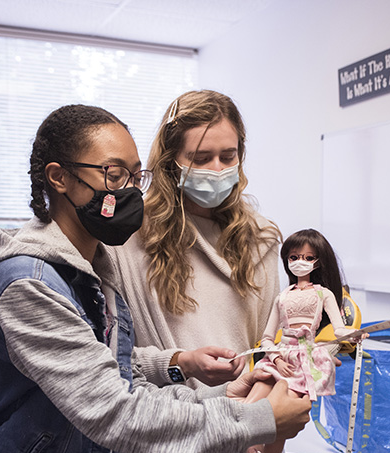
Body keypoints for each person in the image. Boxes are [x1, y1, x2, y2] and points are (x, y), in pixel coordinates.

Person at [0, 104, 311, 453]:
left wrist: (205, 384)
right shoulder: (29, 284)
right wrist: (261, 419)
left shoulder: (89, 272)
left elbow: (110, 373)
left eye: (135, 176)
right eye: (114, 174)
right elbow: (117, 412)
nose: (130, 191)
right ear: (60, 177)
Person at [108, 90, 281, 388]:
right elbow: (111, 355)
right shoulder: (129, 235)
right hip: (163, 419)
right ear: (170, 161)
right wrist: (181, 364)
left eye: (228, 156)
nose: (217, 169)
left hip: (246, 419)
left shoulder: (259, 237)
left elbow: (267, 349)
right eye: (201, 158)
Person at [239, 228, 353, 453]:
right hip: (279, 357)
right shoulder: (282, 297)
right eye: (294, 256)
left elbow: (339, 329)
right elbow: (267, 337)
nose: (300, 261)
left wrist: (353, 335)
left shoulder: (324, 294)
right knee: (247, 412)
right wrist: (276, 357)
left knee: (277, 423)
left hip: (306, 359)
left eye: (308, 257)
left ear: (318, 262)